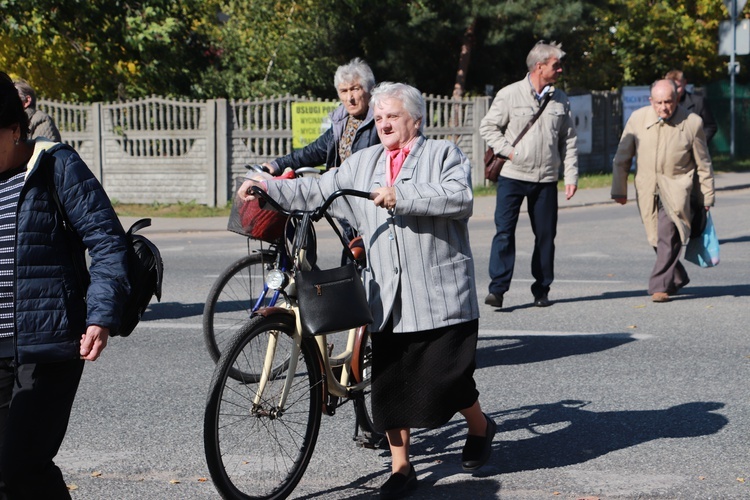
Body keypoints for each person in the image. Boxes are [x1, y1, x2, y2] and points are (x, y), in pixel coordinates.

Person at [239, 82, 494, 500]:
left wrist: (403, 195)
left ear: (416, 118)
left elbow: (459, 198)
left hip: (440, 294)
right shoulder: (363, 162)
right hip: (388, 295)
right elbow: (317, 188)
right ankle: (401, 468)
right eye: (379, 118)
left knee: (447, 383)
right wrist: (266, 186)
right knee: (391, 386)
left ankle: (480, 426)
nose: (384, 123)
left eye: (392, 116)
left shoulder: (443, 155)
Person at [0, 71, 129, 497]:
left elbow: (107, 240)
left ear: (15, 129)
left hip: (48, 343)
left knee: (21, 464)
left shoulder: (57, 165)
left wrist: (101, 315)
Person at [479, 41, 578, 309]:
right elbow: (488, 127)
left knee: (545, 236)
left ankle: (542, 289)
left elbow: (568, 141)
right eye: (556, 65)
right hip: (512, 176)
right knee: (504, 233)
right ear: (540, 66)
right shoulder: (509, 94)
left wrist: (571, 176)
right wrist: (508, 152)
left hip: (546, 179)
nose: (560, 70)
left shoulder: (560, 99)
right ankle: (497, 290)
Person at [611, 79, 715, 303]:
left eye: (668, 101)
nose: (664, 107)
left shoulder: (692, 122)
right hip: (647, 188)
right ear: (651, 101)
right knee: (655, 238)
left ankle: (659, 286)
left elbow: (703, 163)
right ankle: (677, 276)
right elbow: (622, 157)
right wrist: (619, 189)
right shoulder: (638, 119)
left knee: (667, 234)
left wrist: (707, 195)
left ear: (677, 99)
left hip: (678, 189)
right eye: (658, 102)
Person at [664, 69, 717, 144]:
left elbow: (710, 126)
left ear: (685, 83)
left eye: (678, 87)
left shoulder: (698, 102)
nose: (675, 90)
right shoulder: (662, 105)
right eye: (672, 87)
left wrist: (697, 143)